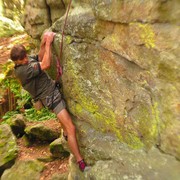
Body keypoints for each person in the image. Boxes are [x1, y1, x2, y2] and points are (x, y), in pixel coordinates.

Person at [10, 32, 86, 172]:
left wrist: (43, 43)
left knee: (65, 126)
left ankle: (65, 135)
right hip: (52, 99)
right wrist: (50, 43)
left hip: (51, 92)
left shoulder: (27, 61)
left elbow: (38, 57)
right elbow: (45, 63)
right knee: (71, 128)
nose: (26, 60)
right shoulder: (22, 71)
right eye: (22, 60)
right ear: (16, 62)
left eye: (26, 56)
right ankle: (80, 160)